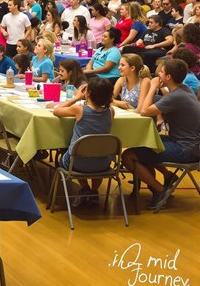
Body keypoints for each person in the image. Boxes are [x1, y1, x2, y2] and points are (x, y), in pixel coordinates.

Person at [122, 59, 200, 210]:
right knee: (142, 142)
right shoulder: (185, 90)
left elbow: (144, 111)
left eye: (161, 72)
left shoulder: (176, 97)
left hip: (185, 149)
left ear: (168, 77)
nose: (158, 74)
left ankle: (159, 190)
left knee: (129, 156)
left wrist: (152, 87)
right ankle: (168, 176)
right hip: (190, 144)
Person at [52, 77, 116, 205]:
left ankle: (85, 188)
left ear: (88, 93)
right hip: (103, 164)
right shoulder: (111, 112)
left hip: (77, 164)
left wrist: (76, 98)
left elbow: (56, 110)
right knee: (97, 152)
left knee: (67, 149)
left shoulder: (79, 109)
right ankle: (93, 191)